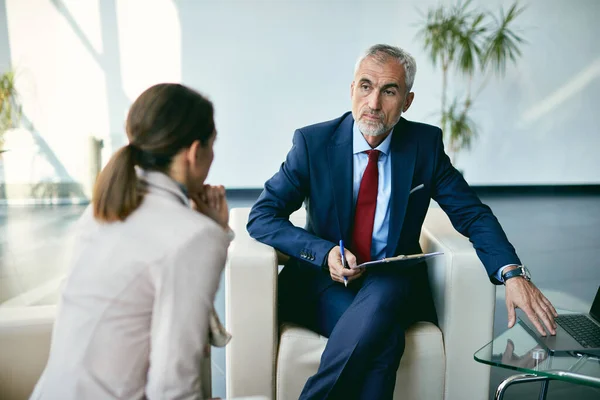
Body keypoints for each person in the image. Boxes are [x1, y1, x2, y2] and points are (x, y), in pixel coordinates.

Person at [247, 44, 558, 399]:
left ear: (407, 101)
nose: (374, 103)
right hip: (323, 283)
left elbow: (472, 213)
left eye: (389, 91)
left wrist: (511, 273)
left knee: (384, 294)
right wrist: (324, 252)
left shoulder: (424, 145)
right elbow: (263, 216)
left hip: (390, 277)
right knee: (384, 340)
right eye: (365, 86)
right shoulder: (313, 143)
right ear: (352, 90)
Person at [31, 83, 231, 399]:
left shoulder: (106, 207)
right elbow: (173, 388)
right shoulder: (194, 237)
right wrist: (215, 234)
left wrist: (210, 231)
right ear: (194, 152)